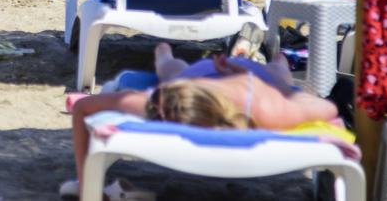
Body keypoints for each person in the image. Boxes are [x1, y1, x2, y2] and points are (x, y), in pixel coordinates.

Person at [62, 41, 339, 198]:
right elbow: (327, 109)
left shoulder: (162, 100)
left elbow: (83, 108)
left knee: (171, 69)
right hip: (250, 77)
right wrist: (281, 90)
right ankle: (272, 58)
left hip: (226, 75)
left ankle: (163, 50)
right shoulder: (269, 109)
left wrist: (88, 187)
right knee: (279, 73)